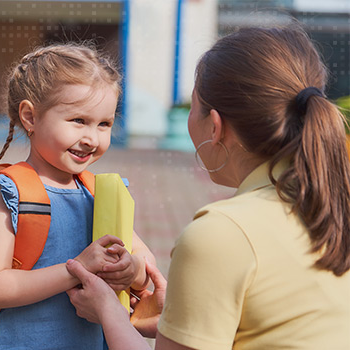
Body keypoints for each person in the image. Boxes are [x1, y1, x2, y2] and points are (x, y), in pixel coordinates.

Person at [66, 25, 350, 349]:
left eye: (194, 105)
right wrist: (177, 320)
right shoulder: (332, 205)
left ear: (215, 126)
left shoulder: (221, 233)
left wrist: (107, 310)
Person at [0, 43, 156, 349]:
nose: (92, 138)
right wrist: (76, 268)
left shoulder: (97, 191)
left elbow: (145, 261)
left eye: (104, 124)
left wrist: (132, 269)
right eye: (78, 121)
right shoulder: (10, 192)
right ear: (30, 117)